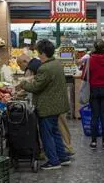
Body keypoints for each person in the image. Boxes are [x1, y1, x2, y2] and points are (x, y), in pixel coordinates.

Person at [19, 39, 70, 170]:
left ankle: (53, 161)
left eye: (38, 52)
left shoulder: (45, 68)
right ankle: (62, 157)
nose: (37, 55)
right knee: (55, 132)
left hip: (48, 106)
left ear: (42, 53)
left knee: (46, 134)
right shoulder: (56, 63)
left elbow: (36, 87)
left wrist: (23, 83)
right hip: (57, 104)